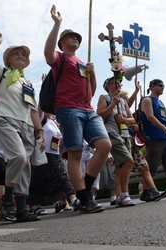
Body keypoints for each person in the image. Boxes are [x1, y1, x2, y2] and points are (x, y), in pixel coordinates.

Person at [44, 5, 111, 213]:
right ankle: (84, 198)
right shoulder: (60, 58)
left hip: (88, 109)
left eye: (77, 38)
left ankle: (84, 191)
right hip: (68, 109)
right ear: (62, 42)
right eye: (71, 37)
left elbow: (90, 92)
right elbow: (47, 53)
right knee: (74, 153)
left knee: (105, 145)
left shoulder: (83, 62)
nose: (76, 39)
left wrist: (93, 73)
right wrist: (57, 24)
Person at [0, 29, 45, 223]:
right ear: (8, 59)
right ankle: (7, 200)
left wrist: (39, 131)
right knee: (19, 156)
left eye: (23, 54)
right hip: (5, 119)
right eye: (16, 53)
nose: (20, 56)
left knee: (25, 165)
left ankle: (21, 210)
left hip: (26, 125)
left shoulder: (28, 83)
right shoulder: (2, 72)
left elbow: (33, 111)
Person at [119, 82, 166, 202]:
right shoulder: (117, 110)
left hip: (132, 143)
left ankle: (154, 192)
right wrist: (136, 92)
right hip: (122, 142)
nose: (127, 100)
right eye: (125, 98)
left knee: (144, 166)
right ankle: (119, 196)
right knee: (120, 169)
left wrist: (134, 127)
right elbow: (127, 104)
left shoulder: (127, 113)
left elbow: (129, 115)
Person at [27, 105, 77, 215]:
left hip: (55, 154)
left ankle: (73, 199)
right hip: (42, 153)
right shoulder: (41, 118)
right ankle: (35, 205)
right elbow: (41, 104)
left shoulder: (53, 122)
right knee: (38, 180)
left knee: (63, 178)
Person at [97, 77, 136, 207]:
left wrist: (124, 119)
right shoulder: (104, 98)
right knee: (128, 160)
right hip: (111, 133)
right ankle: (125, 194)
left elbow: (132, 120)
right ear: (108, 86)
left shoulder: (124, 101)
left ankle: (119, 197)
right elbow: (100, 115)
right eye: (116, 82)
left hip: (125, 135)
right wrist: (113, 104)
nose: (119, 85)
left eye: (120, 83)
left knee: (120, 167)